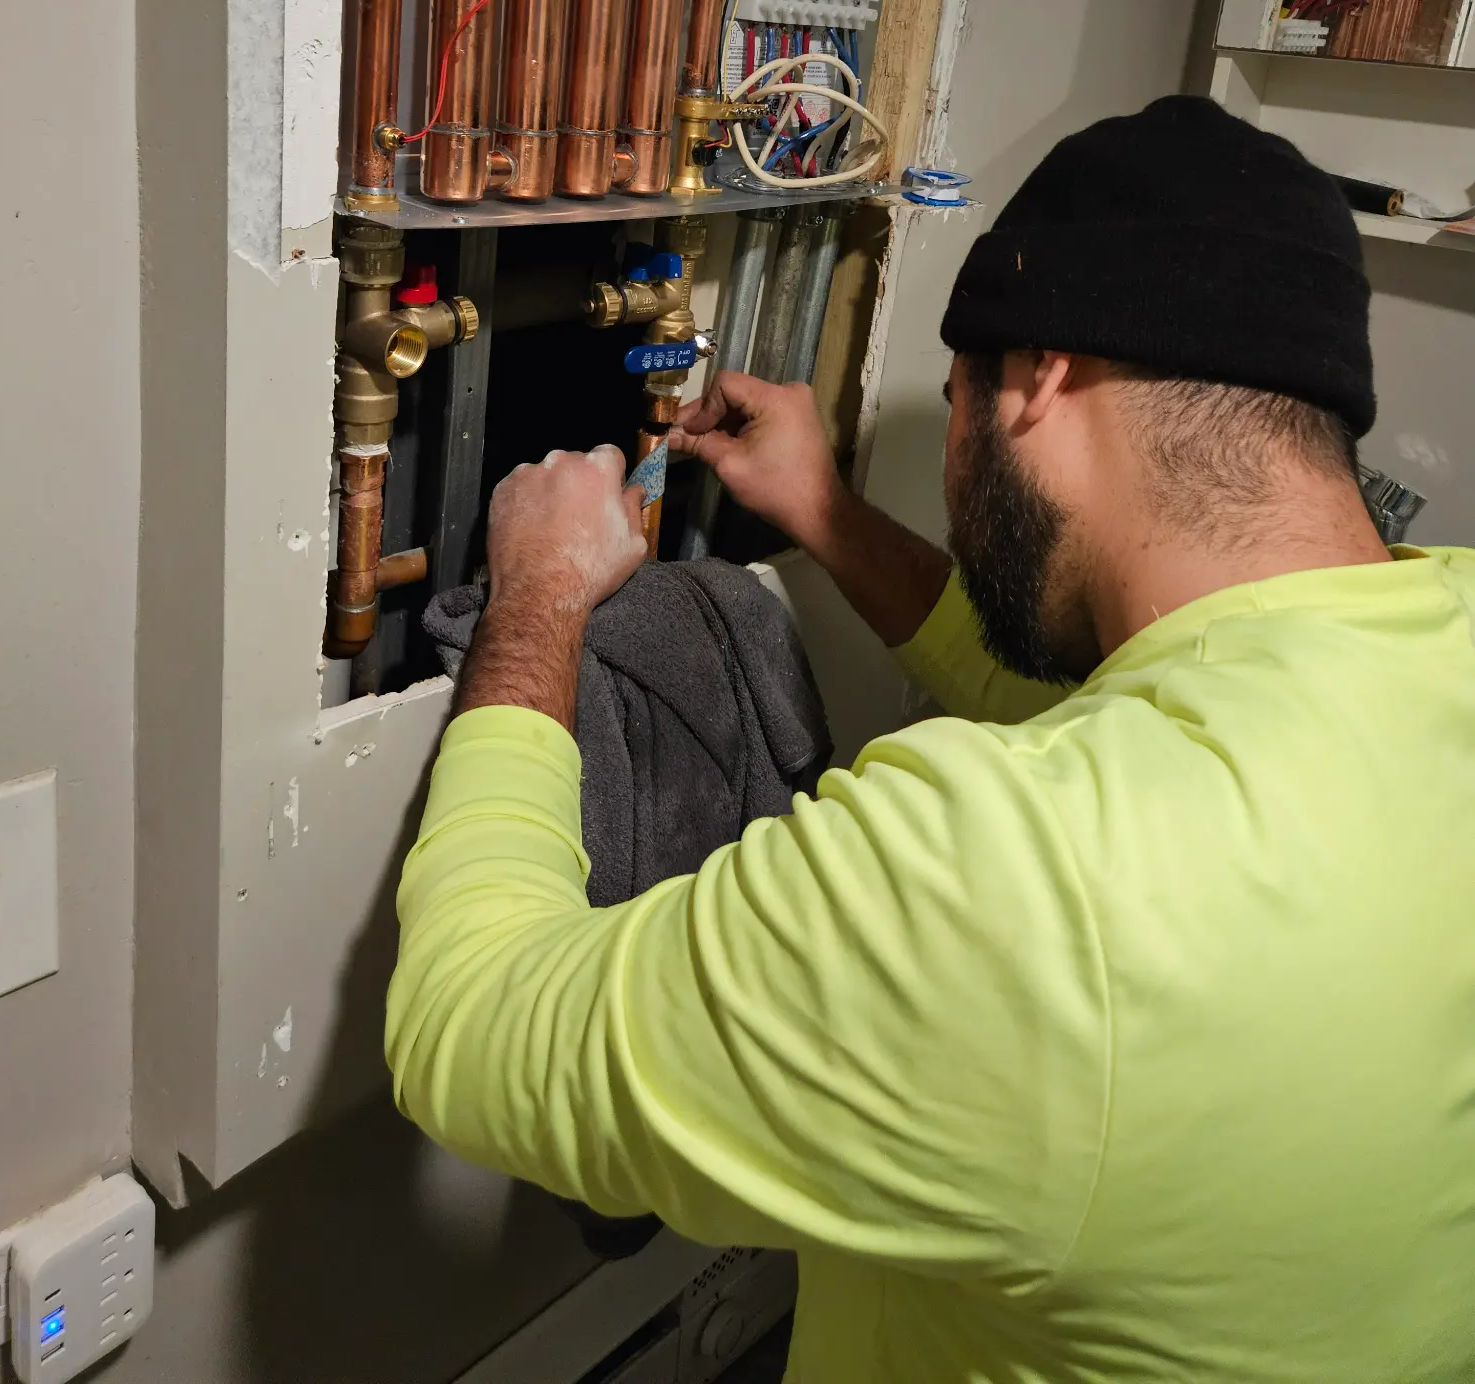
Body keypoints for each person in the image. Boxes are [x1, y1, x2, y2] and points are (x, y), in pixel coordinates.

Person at [386, 95, 1475, 1382]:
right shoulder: (1424, 642)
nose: (952, 443)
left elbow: (468, 1028)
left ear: (1040, 378)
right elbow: (1090, 713)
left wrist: (540, 603)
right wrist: (828, 513)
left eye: (956, 397)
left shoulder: (1016, 887)